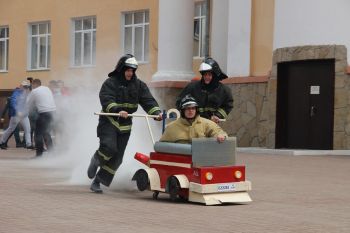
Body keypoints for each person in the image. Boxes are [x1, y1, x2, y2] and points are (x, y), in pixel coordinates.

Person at [87, 54, 162, 193]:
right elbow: (106, 99)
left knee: (117, 158)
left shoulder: (139, 85)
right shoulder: (110, 83)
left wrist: (156, 113)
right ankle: (96, 160)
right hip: (109, 120)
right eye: (127, 70)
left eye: (132, 70)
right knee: (109, 147)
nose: (130, 73)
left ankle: (97, 182)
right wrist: (117, 109)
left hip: (125, 125)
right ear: (121, 69)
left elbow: (148, 101)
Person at [176, 57, 233, 123]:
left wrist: (218, 115)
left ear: (214, 76)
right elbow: (179, 102)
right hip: (194, 123)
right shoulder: (192, 87)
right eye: (205, 75)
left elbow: (228, 105)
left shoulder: (224, 90)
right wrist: (189, 115)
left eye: (209, 75)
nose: (206, 77)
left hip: (211, 124)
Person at [160, 95, 227, 144]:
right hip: (181, 161)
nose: (191, 111)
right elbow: (162, 146)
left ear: (196, 110)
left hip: (201, 160)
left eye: (193, 108)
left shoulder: (206, 123)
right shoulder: (171, 127)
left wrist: (220, 135)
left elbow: (219, 132)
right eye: (188, 108)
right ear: (183, 111)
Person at [26, 79, 56, 156]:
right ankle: (52, 153)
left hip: (44, 113)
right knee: (46, 132)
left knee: (38, 134)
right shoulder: (47, 88)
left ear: (34, 84)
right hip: (53, 112)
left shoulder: (34, 91)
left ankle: (39, 155)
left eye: (32, 85)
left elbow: (28, 104)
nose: (32, 87)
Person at [0, 81, 33, 150]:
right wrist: (18, 111)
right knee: (11, 129)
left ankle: (29, 144)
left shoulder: (28, 93)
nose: (25, 88)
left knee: (28, 129)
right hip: (16, 115)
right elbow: (13, 102)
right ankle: (2, 142)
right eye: (24, 86)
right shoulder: (16, 93)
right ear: (21, 86)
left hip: (24, 115)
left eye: (26, 87)